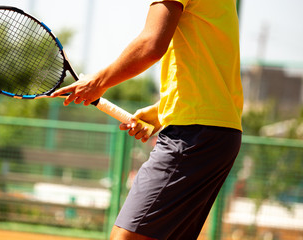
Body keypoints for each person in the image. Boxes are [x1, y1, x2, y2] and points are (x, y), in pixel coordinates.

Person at [52, 0, 243, 239]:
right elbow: (210, 61)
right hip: (220, 131)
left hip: (194, 133)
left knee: (125, 237)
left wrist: (97, 82)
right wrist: (163, 111)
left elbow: (152, 44)